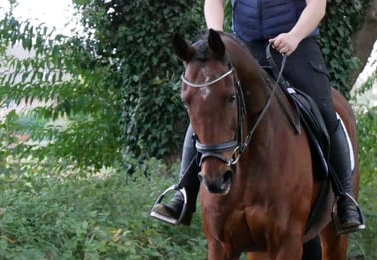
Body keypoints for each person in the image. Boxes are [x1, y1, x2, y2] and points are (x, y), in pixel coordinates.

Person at [151, 0, 365, 234]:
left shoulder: (296, 39)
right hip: (245, 49)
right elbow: (214, 2)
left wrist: (294, 36)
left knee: (326, 111)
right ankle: (184, 193)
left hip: (296, 48)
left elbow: (317, 7)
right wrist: (217, 35)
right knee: (210, 107)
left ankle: (344, 197)